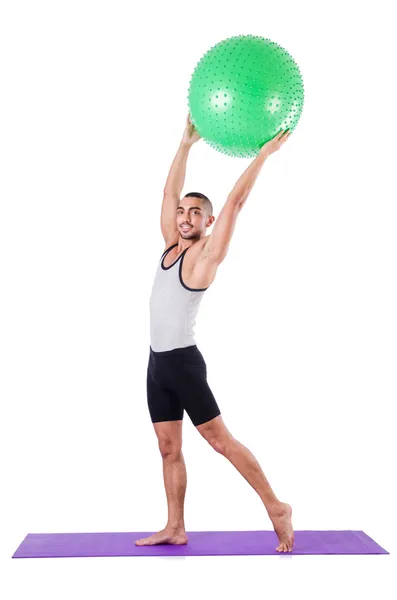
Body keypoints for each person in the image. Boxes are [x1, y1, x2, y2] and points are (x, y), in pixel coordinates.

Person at [135, 114, 294, 552]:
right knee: (168, 447)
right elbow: (168, 192)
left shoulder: (204, 257)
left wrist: (263, 155)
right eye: (183, 211)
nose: (184, 216)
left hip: (183, 363)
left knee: (219, 441)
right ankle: (175, 526)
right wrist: (185, 145)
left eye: (195, 213)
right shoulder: (170, 244)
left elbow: (235, 203)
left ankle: (276, 506)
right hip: (156, 363)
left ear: (208, 222)